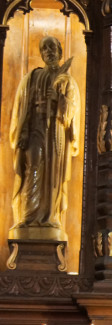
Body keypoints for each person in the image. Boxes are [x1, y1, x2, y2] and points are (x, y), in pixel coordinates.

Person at [9, 36, 80, 241]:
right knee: (33, 168)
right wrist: (22, 132)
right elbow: (23, 108)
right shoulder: (32, 77)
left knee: (53, 174)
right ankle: (27, 217)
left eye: (52, 47)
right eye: (44, 48)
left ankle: (51, 217)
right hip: (35, 129)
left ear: (59, 51)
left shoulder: (67, 80)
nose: (48, 51)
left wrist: (59, 99)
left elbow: (72, 112)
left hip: (56, 132)